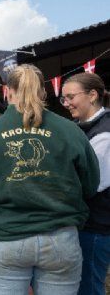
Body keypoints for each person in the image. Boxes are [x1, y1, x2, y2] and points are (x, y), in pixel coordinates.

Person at [0, 64, 100, 294]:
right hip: (59, 239)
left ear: (9, 91)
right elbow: (90, 184)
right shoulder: (70, 130)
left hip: (4, 237)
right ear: (43, 92)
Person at [61, 72, 110, 295]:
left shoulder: (104, 134)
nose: (66, 103)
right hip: (81, 222)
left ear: (92, 95)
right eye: (64, 98)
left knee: (88, 287)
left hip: (96, 226)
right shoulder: (79, 127)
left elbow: (92, 184)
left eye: (71, 97)